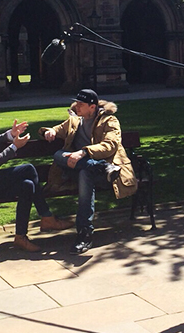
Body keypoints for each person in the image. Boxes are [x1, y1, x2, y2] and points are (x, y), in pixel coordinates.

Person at [0, 94, 73, 253]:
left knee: (27, 186)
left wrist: (10, 134)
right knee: (28, 169)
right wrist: (14, 146)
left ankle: (20, 237)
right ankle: (47, 216)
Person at [38, 89, 138, 254]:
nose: (77, 106)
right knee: (58, 155)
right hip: (90, 170)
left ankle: (84, 233)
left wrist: (84, 152)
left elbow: (110, 145)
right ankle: (99, 166)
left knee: (86, 173)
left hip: (104, 177)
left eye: (81, 104)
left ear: (92, 107)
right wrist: (50, 131)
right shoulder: (75, 121)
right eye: (76, 102)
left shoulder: (109, 120)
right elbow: (58, 129)